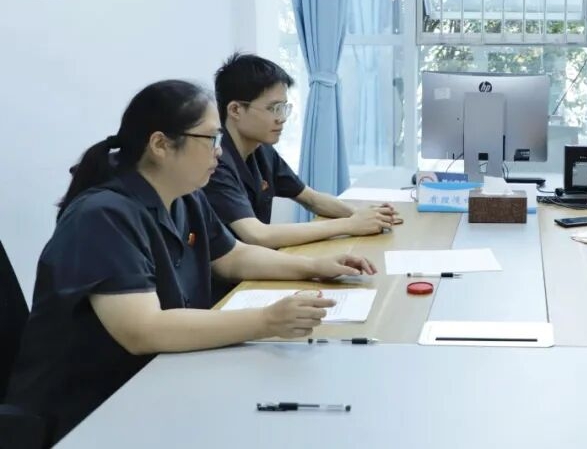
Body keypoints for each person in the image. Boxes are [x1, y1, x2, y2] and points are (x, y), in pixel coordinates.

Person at [4, 80, 378, 444]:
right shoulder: (102, 216)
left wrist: (316, 267)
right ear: (161, 145)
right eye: (210, 139)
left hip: (162, 377)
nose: (219, 152)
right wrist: (266, 321)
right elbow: (142, 330)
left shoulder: (186, 196)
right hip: (88, 412)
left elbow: (233, 257)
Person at [204, 53, 400, 250]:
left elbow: (312, 199)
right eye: (273, 108)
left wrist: (360, 214)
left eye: (283, 108)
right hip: (233, 269)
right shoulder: (214, 163)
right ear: (235, 110)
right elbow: (257, 235)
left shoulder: (262, 151)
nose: (282, 118)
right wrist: (349, 225)